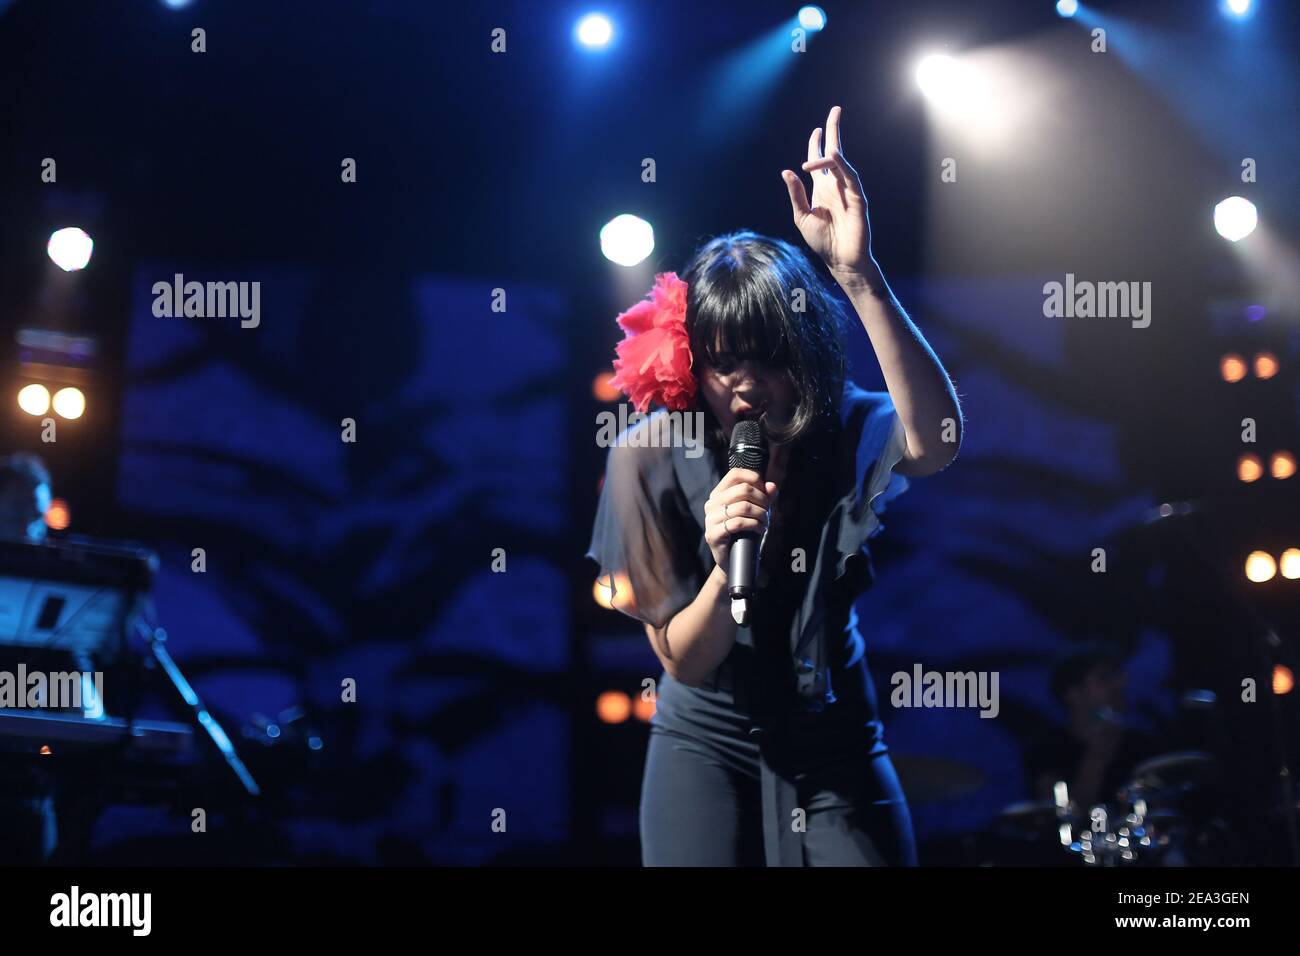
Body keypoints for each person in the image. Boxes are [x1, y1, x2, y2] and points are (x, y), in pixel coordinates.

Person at [588, 106, 962, 866]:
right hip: (705, 735)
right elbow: (684, 661)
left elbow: (937, 444)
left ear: (805, 355)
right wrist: (727, 567)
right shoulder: (647, 455)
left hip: (833, 726)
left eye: (768, 359)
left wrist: (859, 277)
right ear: (696, 363)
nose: (748, 386)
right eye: (726, 362)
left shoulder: (845, 424)